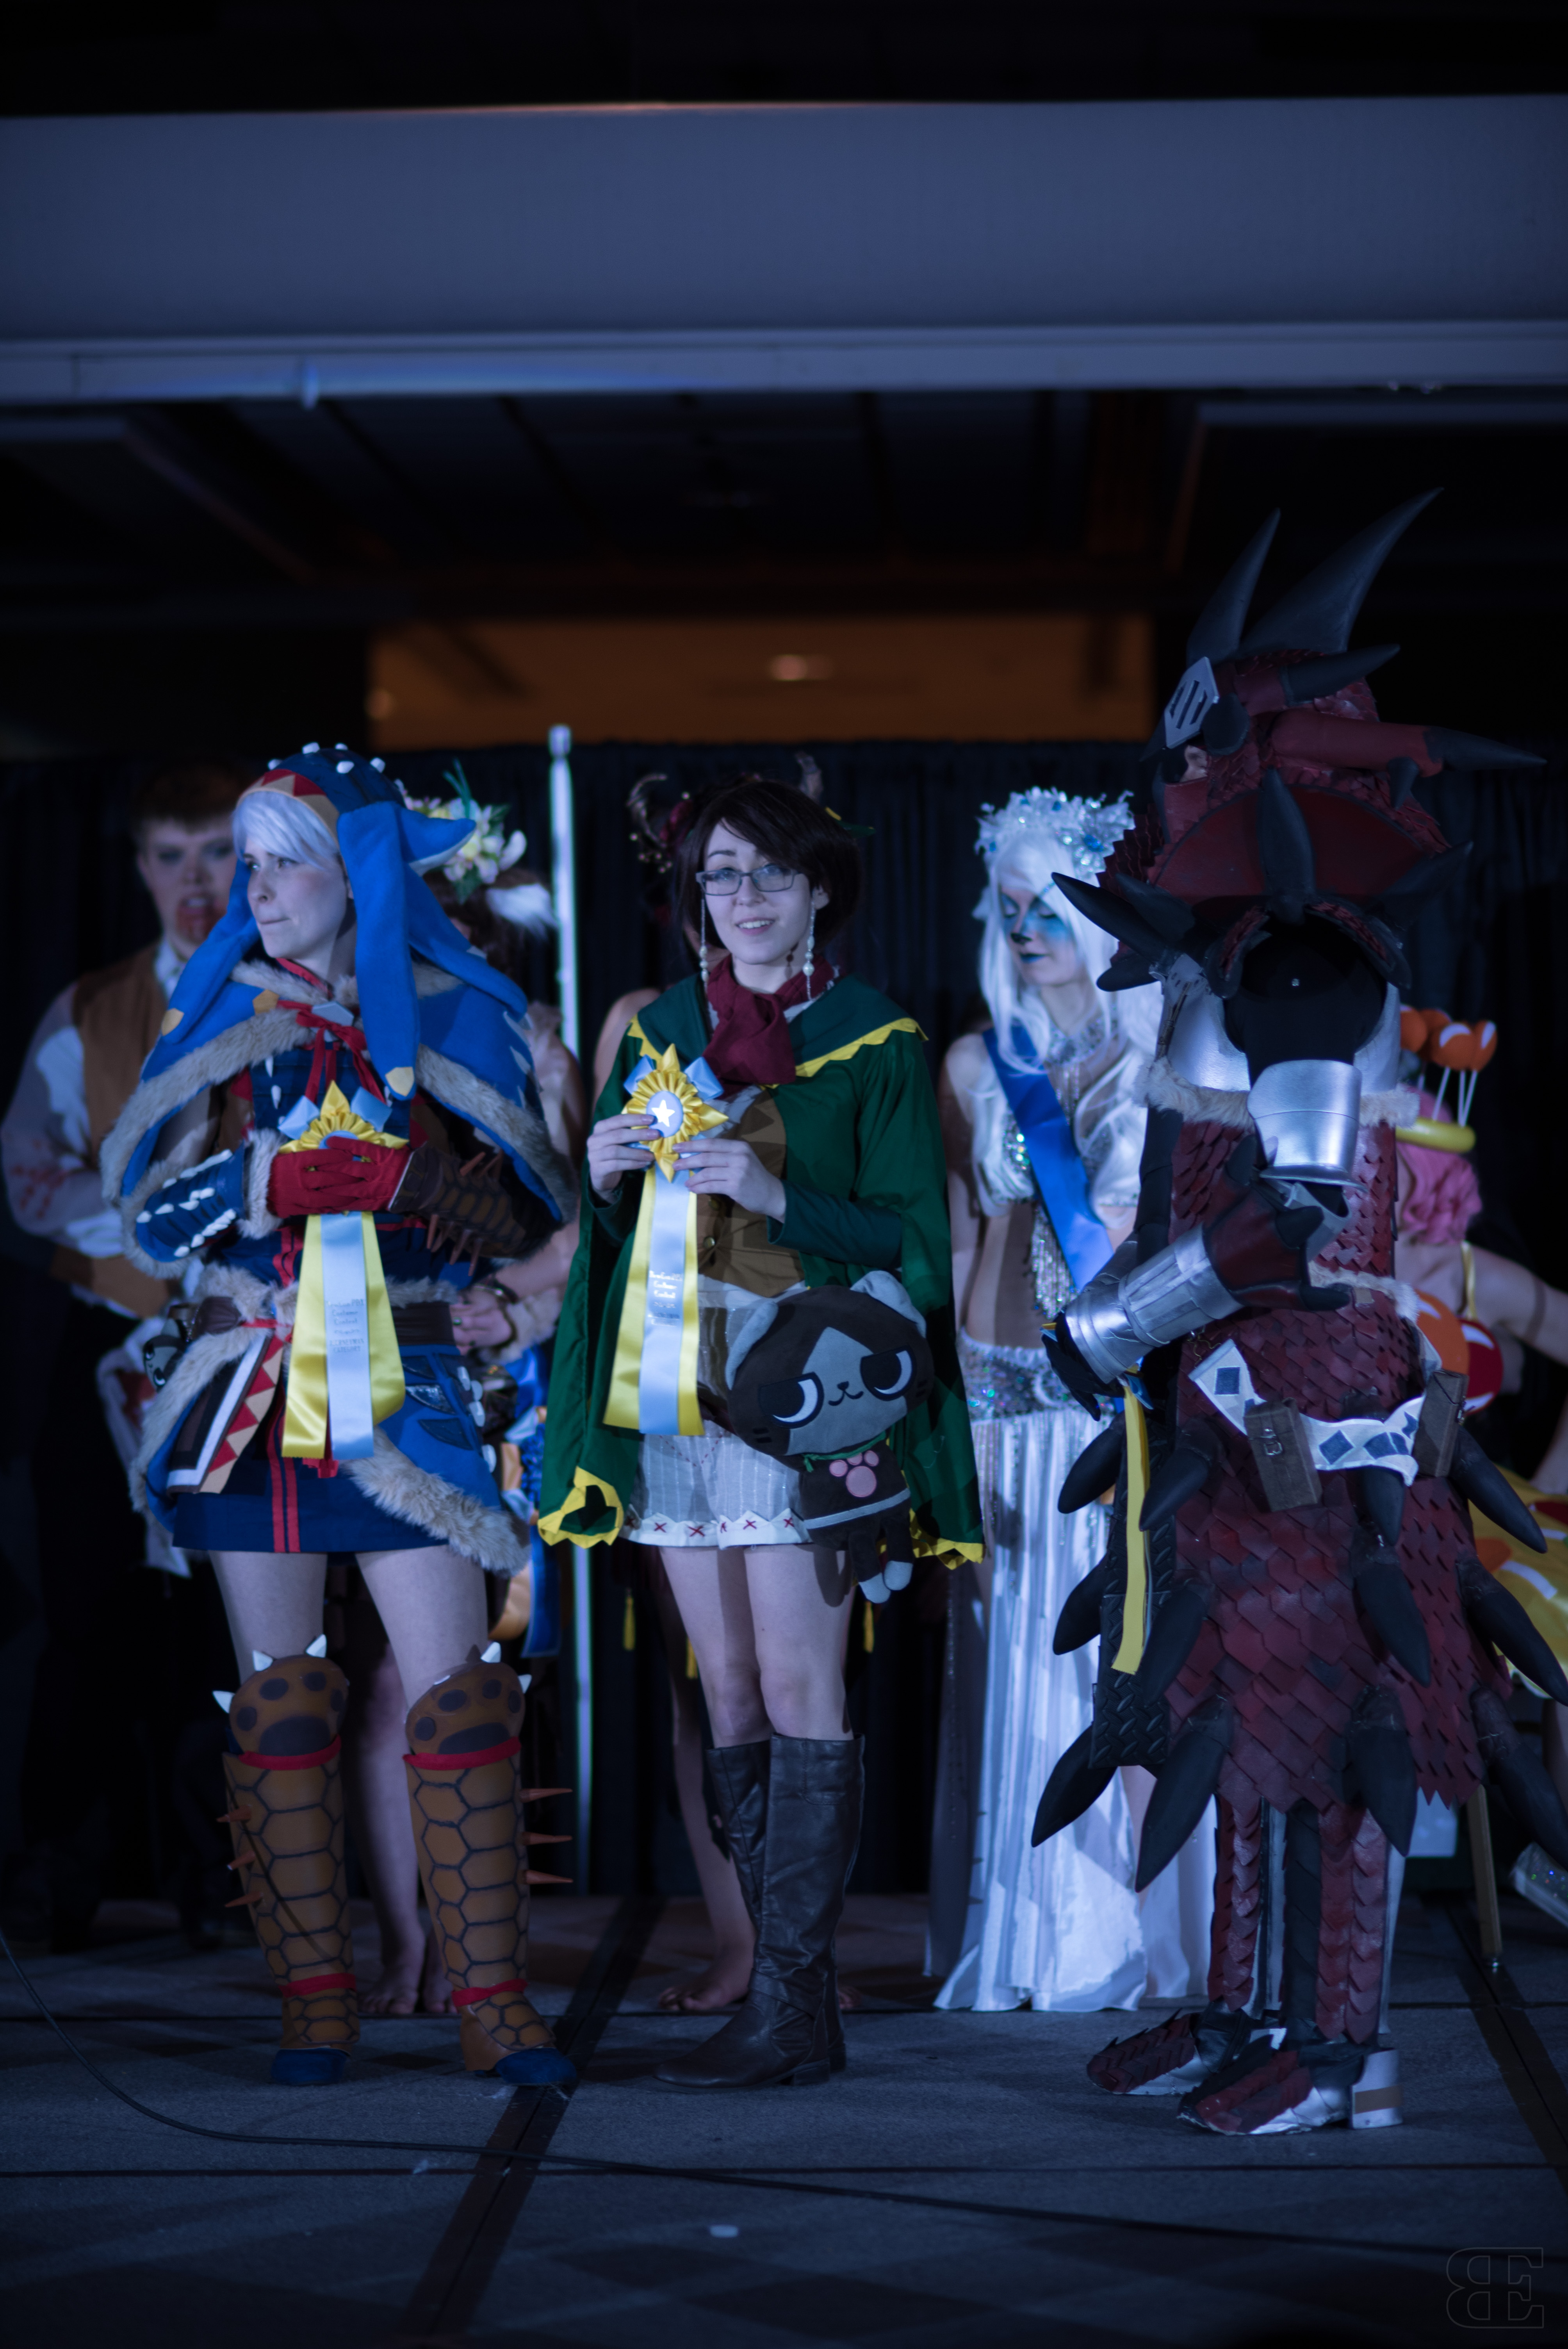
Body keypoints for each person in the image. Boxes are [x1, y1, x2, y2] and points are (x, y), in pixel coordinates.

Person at [102, 746, 575, 2087]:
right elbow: (146, 1218)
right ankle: (315, 2003)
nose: (253, 890)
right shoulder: (221, 1015)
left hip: (408, 1389)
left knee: (458, 1697)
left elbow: (543, 1219)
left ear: (356, 874)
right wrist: (260, 1183)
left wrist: (430, 1191)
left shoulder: (459, 1014)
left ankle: (494, 2001)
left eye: (283, 865)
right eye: (247, 865)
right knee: (282, 1705)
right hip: (250, 1394)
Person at [541, 772, 981, 2088]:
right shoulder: (657, 1030)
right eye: (721, 874)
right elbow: (614, 1250)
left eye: (771, 873)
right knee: (724, 1692)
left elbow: (917, 1248)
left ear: (820, 890)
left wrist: (778, 1194)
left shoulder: (878, 1040)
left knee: (800, 1690)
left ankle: (794, 2005)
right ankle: (785, 1999)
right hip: (676, 1402)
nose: (743, 897)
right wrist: (603, 1180)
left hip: (804, 1403)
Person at [931, 788, 1210, 2014]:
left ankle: (1144, 1936)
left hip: (1125, 1393)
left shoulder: (1170, 1052)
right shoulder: (975, 1061)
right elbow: (960, 1233)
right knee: (1016, 1651)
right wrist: (944, 1388)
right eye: (1010, 904)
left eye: (1052, 904)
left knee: (1125, 1651)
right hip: (1003, 1387)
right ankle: (1031, 1939)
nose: (1027, 926)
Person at [336, 776, 587, 2017]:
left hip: (499, 1393)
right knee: (384, 1680)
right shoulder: (340, 1031)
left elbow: (597, 1225)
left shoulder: (525, 1035)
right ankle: (407, 1945)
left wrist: (520, 1303)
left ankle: (474, 1949)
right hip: (365, 1377)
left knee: (455, 1680)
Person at [1, 759, 248, 1947]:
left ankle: (232, 1878)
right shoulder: (90, 1010)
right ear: (141, 868)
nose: (195, 881)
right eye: (172, 856)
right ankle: (64, 1872)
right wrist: (149, 1228)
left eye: (218, 854)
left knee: (228, 1619)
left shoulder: (296, 1001)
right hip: (109, 1344)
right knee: (89, 1612)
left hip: (247, 1347)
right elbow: (26, 1175)